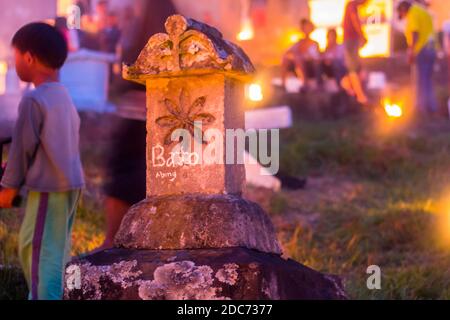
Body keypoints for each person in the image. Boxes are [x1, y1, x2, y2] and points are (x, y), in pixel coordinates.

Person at [0, 22, 85, 300]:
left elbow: (22, 151)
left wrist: (9, 188)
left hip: (50, 188)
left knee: (39, 252)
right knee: (52, 247)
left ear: (28, 57)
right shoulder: (62, 95)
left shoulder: (33, 100)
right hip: (70, 185)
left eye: (14, 56)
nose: (14, 63)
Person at [397, 1, 438, 115]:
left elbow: (415, 32)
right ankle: (431, 106)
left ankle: (420, 108)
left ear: (404, 9)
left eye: (403, 14)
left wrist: (410, 51)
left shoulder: (413, 13)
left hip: (422, 49)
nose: (404, 17)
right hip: (431, 47)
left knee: (420, 79)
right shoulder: (423, 11)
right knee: (428, 79)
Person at [282, 19, 321, 91]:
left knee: (298, 58)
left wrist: (303, 56)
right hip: (298, 65)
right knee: (287, 58)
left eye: (308, 27)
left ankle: (305, 83)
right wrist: (294, 56)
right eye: (305, 27)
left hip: (310, 66)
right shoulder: (298, 43)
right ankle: (283, 84)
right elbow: (287, 53)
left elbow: (316, 58)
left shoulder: (314, 44)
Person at [342, 0, 369, 105]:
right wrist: (362, 36)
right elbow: (355, 20)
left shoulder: (351, 6)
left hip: (352, 40)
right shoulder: (352, 5)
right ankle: (360, 96)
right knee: (353, 69)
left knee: (357, 68)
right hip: (351, 40)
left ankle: (353, 89)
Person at [321, 29, 349, 93]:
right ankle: (341, 87)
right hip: (331, 70)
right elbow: (324, 61)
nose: (331, 38)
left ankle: (342, 87)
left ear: (336, 37)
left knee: (337, 63)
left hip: (342, 67)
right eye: (330, 36)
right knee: (335, 63)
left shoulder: (341, 46)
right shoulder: (326, 50)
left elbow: (345, 58)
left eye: (332, 36)